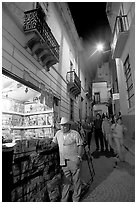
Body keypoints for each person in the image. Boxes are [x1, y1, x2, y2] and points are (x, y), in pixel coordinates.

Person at [52, 117, 83, 202]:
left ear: (69, 126)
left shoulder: (75, 133)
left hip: (73, 161)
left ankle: (75, 199)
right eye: (62, 126)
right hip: (63, 162)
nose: (63, 127)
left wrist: (79, 157)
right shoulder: (58, 134)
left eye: (65, 125)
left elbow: (80, 145)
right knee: (66, 182)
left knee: (76, 181)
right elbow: (53, 143)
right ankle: (64, 200)